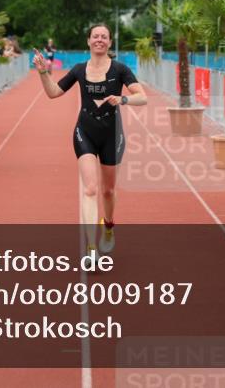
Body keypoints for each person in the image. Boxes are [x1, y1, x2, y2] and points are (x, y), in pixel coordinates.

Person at [33, 23, 146, 258]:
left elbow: (141, 96)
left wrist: (122, 100)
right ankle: (91, 247)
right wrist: (44, 72)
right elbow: (53, 92)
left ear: (109, 43)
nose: (99, 40)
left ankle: (109, 224)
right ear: (88, 41)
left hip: (112, 135)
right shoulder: (78, 69)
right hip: (84, 131)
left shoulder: (120, 70)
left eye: (104, 37)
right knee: (91, 188)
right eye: (95, 36)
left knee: (108, 190)